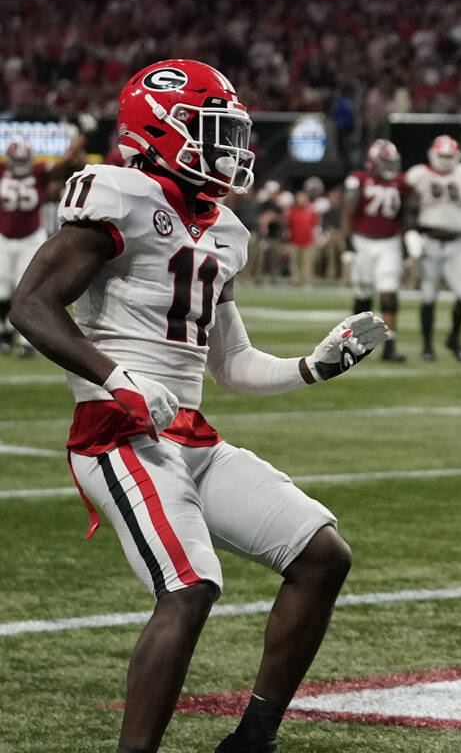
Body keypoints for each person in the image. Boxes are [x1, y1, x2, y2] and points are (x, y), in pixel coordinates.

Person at [10, 59, 388, 753]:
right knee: (189, 587)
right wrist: (116, 376)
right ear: (161, 131)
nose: (230, 148)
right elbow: (30, 302)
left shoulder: (227, 230)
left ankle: (253, 739)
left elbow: (235, 365)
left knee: (323, 555)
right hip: (115, 433)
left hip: (187, 434)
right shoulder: (118, 192)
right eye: (213, 131)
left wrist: (312, 365)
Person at [0, 132, 86, 355]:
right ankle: (6, 334)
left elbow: (65, 160)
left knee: (25, 290)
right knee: (2, 293)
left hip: (30, 236)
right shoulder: (2, 172)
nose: (19, 165)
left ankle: (24, 341)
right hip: (4, 236)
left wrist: (79, 139)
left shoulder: (39, 172)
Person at [405, 134, 461, 361]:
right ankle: (427, 345)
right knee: (427, 294)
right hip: (429, 242)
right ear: (432, 154)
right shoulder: (418, 174)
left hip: (457, 242)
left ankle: (453, 337)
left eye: (449, 156)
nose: (445, 160)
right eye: (441, 155)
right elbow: (407, 206)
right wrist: (411, 231)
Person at [342, 138, 407, 361]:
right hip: (362, 241)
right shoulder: (358, 179)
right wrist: (348, 242)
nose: (390, 167)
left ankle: (389, 346)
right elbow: (348, 212)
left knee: (389, 292)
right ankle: (354, 344)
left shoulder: (400, 182)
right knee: (363, 294)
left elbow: (403, 214)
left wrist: (406, 239)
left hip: (389, 242)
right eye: (385, 162)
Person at [286, 189, 320, 287]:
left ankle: (306, 281)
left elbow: (316, 226)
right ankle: (296, 281)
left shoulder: (311, 211)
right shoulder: (292, 210)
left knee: (307, 263)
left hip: (308, 241)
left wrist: (316, 238)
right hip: (294, 240)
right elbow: (287, 225)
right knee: (295, 263)